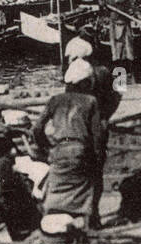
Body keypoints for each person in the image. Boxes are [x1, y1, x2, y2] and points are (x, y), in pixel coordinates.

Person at [33, 59, 108, 233]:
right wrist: (98, 158)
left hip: (59, 150)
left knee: (57, 188)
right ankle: (92, 223)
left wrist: (46, 148)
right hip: (79, 149)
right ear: (86, 83)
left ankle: (51, 224)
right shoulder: (90, 101)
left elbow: (37, 129)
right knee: (92, 182)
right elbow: (97, 135)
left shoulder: (55, 100)